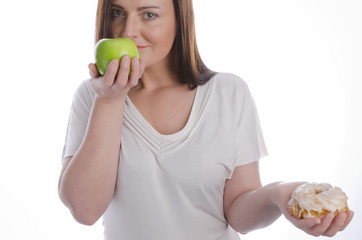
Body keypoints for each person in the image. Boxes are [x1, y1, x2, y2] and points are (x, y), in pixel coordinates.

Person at [58, 0, 354, 239]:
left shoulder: (229, 93)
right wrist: (109, 101)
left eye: (149, 14)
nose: (127, 31)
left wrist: (279, 195)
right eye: (118, 12)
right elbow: (85, 210)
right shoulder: (93, 97)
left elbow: (236, 212)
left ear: (179, 19)